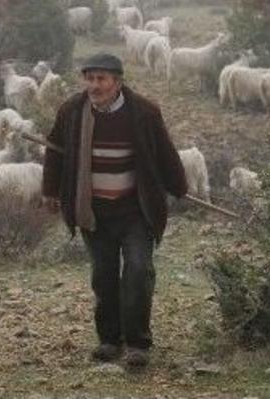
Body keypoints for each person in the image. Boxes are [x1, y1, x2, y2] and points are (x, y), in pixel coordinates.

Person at [42, 52, 188, 368]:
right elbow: (54, 151)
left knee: (138, 269)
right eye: (90, 79)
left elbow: (164, 151)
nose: (94, 86)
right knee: (103, 275)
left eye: (101, 79)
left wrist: (179, 185)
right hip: (93, 210)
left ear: (117, 82)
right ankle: (109, 340)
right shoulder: (72, 111)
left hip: (135, 210)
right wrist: (51, 191)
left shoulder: (144, 112)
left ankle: (137, 343)